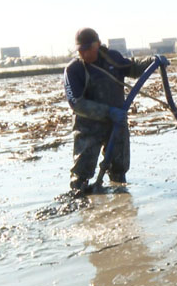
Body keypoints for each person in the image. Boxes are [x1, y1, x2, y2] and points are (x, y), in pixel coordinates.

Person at [63, 28, 155, 193]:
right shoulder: (73, 70)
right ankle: (79, 195)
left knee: (119, 168)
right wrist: (108, 111)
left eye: (87, 49)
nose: (84, 54)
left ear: (97, 44)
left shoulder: (112, 59)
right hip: (88, 127)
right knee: (82, 169)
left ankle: (120, 199)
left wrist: (153, 60)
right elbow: (77, 104)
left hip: (116, 124)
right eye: (80, 50)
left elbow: (133, 68)